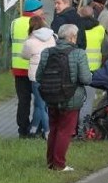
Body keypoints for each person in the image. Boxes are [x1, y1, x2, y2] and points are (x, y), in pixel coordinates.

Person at [37, 24, 92, 171]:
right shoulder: (79, 53)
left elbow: (38, 76)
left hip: (50, 96)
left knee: (54, 128)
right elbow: (86, 79)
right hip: (71, 97)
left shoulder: (46, 52)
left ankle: (51, 162)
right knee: (65, 131)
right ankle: (59, 165)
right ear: (73, 37)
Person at [12, 0, 45, 138]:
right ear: (35, 10)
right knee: (39, 101)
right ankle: (36, 128)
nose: (43, 11)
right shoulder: (39, 24)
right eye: (41, 8)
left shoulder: (15, 23)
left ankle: (22, 130)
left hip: (18, 69)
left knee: (23, 101)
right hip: (35, 69)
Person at [21, 15, 56, 139]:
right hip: (50, 75)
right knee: (39, 102)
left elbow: (24, 55)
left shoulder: (30, 41)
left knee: (41, 105)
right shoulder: (52, 37)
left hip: (36, 76)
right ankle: (34, 127)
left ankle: (47, 132)